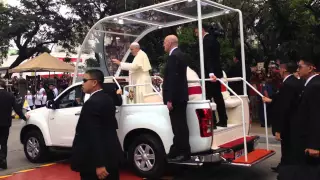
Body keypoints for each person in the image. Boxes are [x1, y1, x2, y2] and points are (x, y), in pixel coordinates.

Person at [70, 69, 122, 180]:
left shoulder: (92, 103)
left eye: (84, 80)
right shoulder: (107, 98)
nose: (82, 84)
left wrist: (99, 164)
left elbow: (93, 134)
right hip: (110, 156)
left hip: (94, 163)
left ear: (94, 82)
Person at [278, 56, 320, 180]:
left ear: (310, 68)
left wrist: (315, 145)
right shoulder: (308, 84)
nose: (298, 69)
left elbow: (316, 116)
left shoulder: (314, 86)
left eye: (300, 67)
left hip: (309, 140)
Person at [262, 62, 304, 172]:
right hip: (296, 120)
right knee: (291, 146)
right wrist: (271, 100)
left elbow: (284, 107)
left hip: (288, 121)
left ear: (283, 70)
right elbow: (283, 98)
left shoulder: (288, 84)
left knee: (286, 146)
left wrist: (278, 129)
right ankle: (285, 165)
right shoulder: (297, 82)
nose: (278, 71)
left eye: (279, 69)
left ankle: (285, 168)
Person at [162, 35, 190, 162]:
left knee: (179, 126)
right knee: (180, 125)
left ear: (170, 43)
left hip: (176, 98)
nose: (163, 45)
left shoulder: (174, 56)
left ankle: (183, 152)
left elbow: (173, 79)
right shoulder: (181, 54)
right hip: (181, 96)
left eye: (164, 42)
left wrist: (169, 99)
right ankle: (176, 150)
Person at [195, 25, 228, 127]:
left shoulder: (206, 41)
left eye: (196, 33)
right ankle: (223, 120)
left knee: (208, 98)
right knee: (218, 96)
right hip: (216, 72)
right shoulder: (214, 40)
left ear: (202, 30)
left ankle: (212, 122)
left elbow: (208, 58)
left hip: (210, 74)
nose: (196, 35)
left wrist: (210, 73)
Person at [0, 79, 29, 169]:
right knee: (4, 143)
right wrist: (24, 117)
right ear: (4, 86)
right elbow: (17, 109)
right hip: (6, 123)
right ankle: (3, 161)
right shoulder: (10, 95)